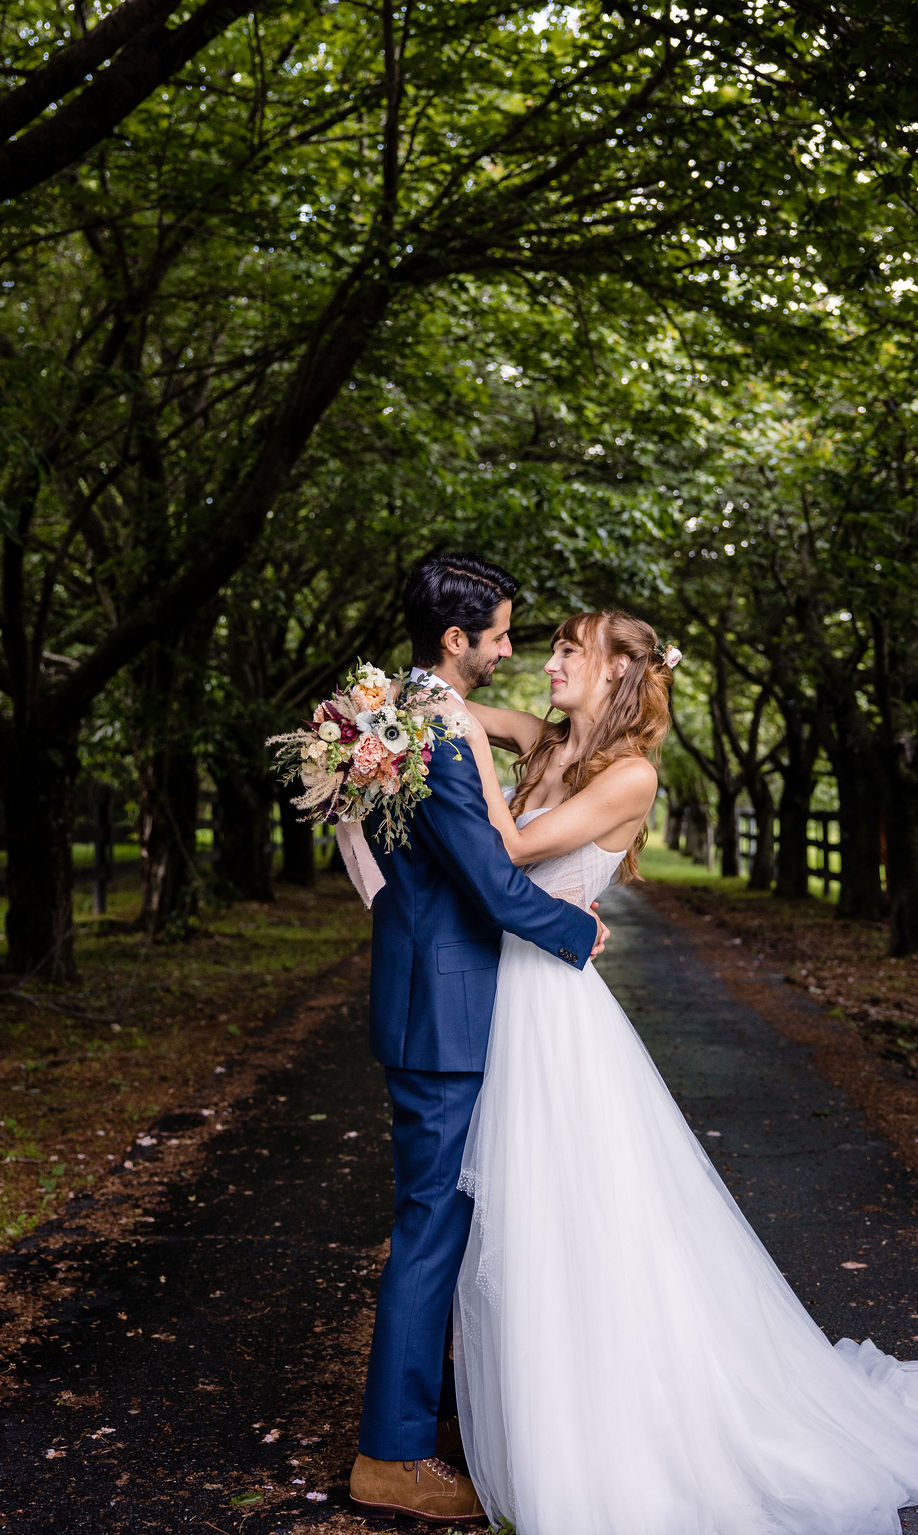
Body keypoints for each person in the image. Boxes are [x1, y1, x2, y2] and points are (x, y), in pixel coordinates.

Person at [450, 607, 918, 1535]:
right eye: (555, 644)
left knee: (581, 1223)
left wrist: (476, 763)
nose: (552, 659)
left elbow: (516, 850)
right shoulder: (547, 741)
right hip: (508, 1001)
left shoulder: (631, 774)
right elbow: (453, 710)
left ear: (618, 675)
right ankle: (553, 1414)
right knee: (524, 1221)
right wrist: (392, 707)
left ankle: (615, 1439)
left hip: (556, 1022)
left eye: (574, 649)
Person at [348, 554, 607, 1526]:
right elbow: (490, 882)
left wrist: (518, 725)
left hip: (432, 997)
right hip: (441, 1012)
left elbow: (462, 741)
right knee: (430, 1228)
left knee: (442, 1223)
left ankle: (429, 1417)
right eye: (499, 633)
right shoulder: (438, 737)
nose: (510, 647)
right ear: (454, 641)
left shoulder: (406, 714)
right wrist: (581, 931)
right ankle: (393, 1453)